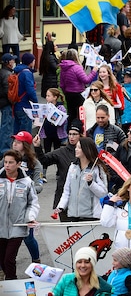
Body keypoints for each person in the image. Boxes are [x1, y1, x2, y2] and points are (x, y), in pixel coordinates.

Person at [0, 149, 39, 279]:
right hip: (1, 227)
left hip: (18, 226)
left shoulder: (27, 182)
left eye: (11, 162)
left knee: (9, 260)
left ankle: (12, 283)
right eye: (5, 162)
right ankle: (10, 282)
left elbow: (33, 203)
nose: (7, 165)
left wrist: (30, 217)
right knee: (2, 261)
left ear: (18, 164)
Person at [35, 119, 81, 221]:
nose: (71, 137)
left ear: (80, 136)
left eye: (75, 134)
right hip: (63, 196)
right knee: (66, 230)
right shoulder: (61, 152)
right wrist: (37, 147)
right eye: (70, 134)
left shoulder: (86, 151)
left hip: (81, 197)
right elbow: (44, 160)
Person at [55, 136, 109, 221]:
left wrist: (91, 183)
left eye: (79, 147)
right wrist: (61, 207)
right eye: (76, 147)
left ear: (86, 149)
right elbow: (67, 191)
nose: (76, 149)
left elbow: (103, 193)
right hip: (73, 215)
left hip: (91, 216)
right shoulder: (72, 167)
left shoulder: (97, 169)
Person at [11, 131, 43, 264]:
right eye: (14, 141)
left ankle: (36, 262)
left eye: (18, 142)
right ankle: (5, 265)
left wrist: (26, 190)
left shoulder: (35, 164)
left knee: (28, 238)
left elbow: (39, 185)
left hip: (26, 206)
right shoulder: (7, 160)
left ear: (25, 145)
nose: (14, 144)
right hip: (8, 205)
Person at [60, 48, 97, 125]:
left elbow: (62, 84)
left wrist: (65, 92)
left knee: (71, 114)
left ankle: (70, 131)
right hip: (78, 93)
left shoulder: (63, 68)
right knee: (80, 114)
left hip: (68, 94)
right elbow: (86, 80)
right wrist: (94, 71)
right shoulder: (77, 67)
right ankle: (79, 131)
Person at [39, 88, 69, 154]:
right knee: (47, 150)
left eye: (48, 96)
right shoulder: (45, 107)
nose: (47, 97)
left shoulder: (61, 107)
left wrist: (52, 117)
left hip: (56, 133)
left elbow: (64, 121)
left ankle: (57, 163)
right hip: (47, 132)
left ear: (55, 97)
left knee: (57, 151)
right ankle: (46, 163)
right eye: (46, 96)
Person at [14, 52, 38, 133]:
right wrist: (36, 103)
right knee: (25, 133)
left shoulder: (18, 71)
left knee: (17, 131)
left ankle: (16, 145)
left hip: (17, 104)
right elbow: (30, 90)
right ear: (30, 62)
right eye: (34, 61)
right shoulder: (27, 73)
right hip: (25, 106)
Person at [0, 53, 13, 152]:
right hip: (6, 103)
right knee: (6, 127)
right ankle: (4, 150)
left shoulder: (2, 72)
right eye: (12, 60)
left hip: (3, 102)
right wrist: (12, 100)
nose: (13, 62)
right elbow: (7, 90)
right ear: (8, 63)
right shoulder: (7, 74)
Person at [39, 33, 59, 97]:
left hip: (48, 80)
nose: (56, 47)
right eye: (55, 46)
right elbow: (56, 68)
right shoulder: (50, 57)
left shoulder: (47, 56)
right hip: (51, 82)